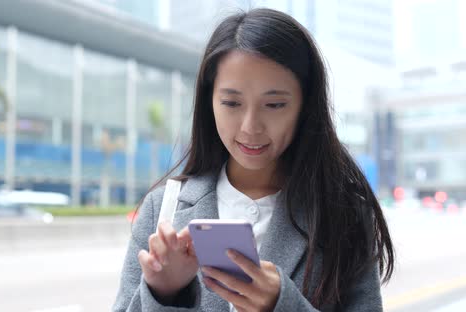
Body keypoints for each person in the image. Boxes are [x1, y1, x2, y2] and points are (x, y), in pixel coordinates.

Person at [113, 8, 394, 312]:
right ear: (210, 102)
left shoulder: (344, 214)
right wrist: (165, 294)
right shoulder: (163, 209)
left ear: (305, 105)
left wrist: (283, 305)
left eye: (274, 104)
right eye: (232, 103)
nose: (250, 127)